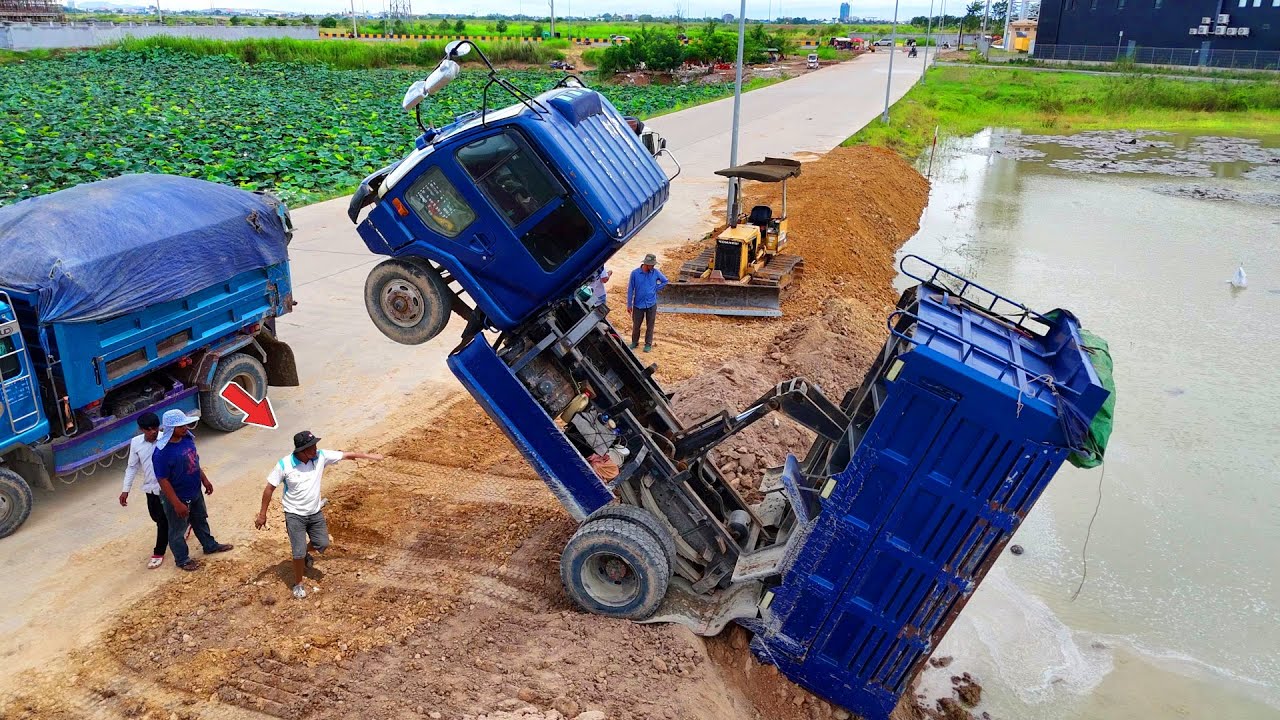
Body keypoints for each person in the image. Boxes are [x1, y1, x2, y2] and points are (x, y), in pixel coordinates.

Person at [254, 431, 384, 600]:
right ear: (301, 450)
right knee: (298, 552)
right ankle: (298, 583)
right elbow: (269, 489)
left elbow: (347, 455)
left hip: (315, 512)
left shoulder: (320, 456)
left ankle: (305, 553)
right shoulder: (284, 465)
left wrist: (370, 456)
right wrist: (262, 514)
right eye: (311, 447)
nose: (315, 449)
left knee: (322, 543)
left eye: (315, 445)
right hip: (294, 515)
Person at [152, 408, 233, 572]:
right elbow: (163, 480)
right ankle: (182, 560)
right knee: (177, 530)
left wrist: (204, 479)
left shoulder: (187, 439)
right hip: (178, 497)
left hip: (195, 490)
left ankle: (209, 545)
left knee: (200, 519)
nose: (186, 428)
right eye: (181, 426)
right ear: (170, 429)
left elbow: (194, 461)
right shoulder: (161, 453)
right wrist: (176, 504)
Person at [118, 412, 167, 569]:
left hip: (168, 488)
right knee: (156, 517)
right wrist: (126, 490)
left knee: (162, 521)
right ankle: (183, 525)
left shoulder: (166, 439)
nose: (153, 432)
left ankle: (159, 552)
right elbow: (132, 467)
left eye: (155, 428)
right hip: (150, 488)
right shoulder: (136, 443)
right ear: (141, 430)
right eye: (149, 429)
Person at [626, 253, 668, 353]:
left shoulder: (655, 272)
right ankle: (634, 342)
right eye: (651, 265)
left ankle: (648, 344)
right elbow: (630, 289)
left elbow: (665, 281)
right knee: (636, 325)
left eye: (653, 265)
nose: (653, 267)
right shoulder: (635, 273)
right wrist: (629, 304)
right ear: (646, 264)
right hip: (638, 305)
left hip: (651, 304)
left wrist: (655, 288)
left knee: (650, 325)